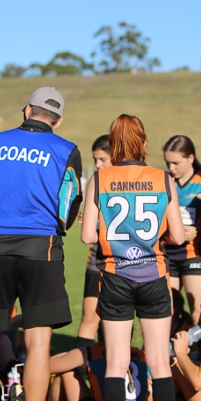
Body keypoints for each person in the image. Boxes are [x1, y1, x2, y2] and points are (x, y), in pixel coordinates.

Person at [0, 87, 82, 401]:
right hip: (42, 250)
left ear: (27, 109)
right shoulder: (67, 150)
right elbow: (69, 206)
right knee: (38, 343)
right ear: (58, 120)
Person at [81, 114, 185, 401]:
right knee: (159, 361)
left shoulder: (100, 179)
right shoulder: (163, 178)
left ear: (113, 144)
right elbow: (178, 237)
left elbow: (87, 236)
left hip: (115, 276)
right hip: (154, 275)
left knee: (116, 362)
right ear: (143, 142)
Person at [162, 135, 201, 322]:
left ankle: (197, 343)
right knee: (168, 309)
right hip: (168, 254)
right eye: (167, 163)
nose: (171, 168)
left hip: (196, 254)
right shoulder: (164, 182)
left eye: (176, 163)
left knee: (198, 311)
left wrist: (198, 232)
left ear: (191, 158)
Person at [46, 331, 152, 401]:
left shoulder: (90, 351)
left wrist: (66, 356)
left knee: (66, 371)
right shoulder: (143, 356)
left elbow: (44, 368)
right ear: (131, 335)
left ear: (99, 334)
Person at [76, 134, 113, 348]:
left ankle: (116, 363)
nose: (98, 165)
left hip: (121, 259)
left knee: (115, 319)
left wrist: (98, 222)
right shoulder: (95, 183)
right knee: (90, 315)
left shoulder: (128, 183)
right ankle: (82, 365)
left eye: (103, 159)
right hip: (96, 258)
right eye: (95, 160)